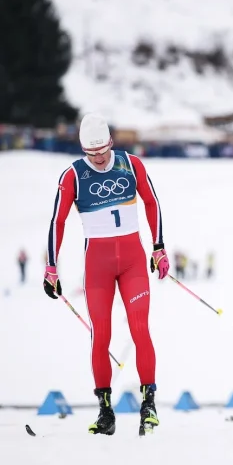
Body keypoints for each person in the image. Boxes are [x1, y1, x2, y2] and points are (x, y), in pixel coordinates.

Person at [43, 112, 170, 436]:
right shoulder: (73, 175)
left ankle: (148, 404)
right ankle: (105, 411)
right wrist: (51, 268)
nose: (98, 159)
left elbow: (152, 202)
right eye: (91, 153)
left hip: (132, 263)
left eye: (102, 151)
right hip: (97, 266)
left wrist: (158, 247)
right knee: (100, 336)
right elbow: (58, 222)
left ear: (111, 143)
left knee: (140, 328)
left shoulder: (131, 164)